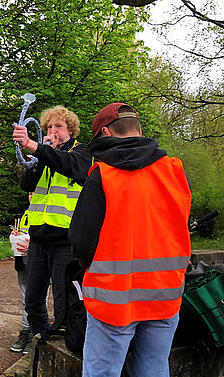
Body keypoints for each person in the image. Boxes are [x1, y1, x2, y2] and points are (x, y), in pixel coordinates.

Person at [69, 103, 191, 377]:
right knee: (154, 369)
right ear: (138, 129)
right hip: (165, 293)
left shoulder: (103, 175)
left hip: (113, 297)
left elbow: (81, 240)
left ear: (105, 132)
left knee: (102, 373)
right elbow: (178, 225)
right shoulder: (174, 170)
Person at [12, 106, 92, 351]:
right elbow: (26, 183)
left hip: (65, 242)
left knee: (63, 302)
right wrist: (37, 157)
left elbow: (69, 166)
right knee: (33, 300)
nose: (53, 131)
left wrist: (37, 147)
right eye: (49, 127)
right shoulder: (45, 155)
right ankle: (42, 341)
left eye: (59, 126)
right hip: (38, 239)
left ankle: (66, 348)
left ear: (71, 129)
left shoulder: (82, 152)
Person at [9, 191, 33, 353]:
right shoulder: (26, 213)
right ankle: (25, 332)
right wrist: (15, 235)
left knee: (37, 299)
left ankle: (34, 333)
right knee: (25, 298)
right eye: (30, 193)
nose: (31, 196)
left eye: (35, 192)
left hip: (38, 261)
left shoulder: (46, 212)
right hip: (22, 260)